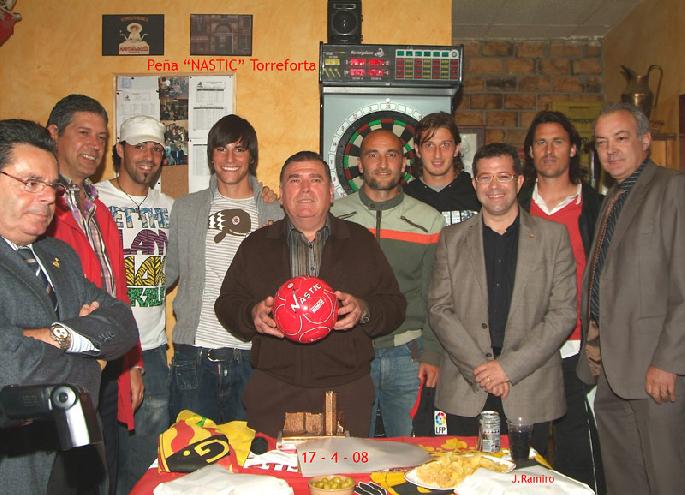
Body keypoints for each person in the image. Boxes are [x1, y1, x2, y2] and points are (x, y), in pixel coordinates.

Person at [214, 151, 406, 437]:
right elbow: (226, 302)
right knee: (274, 467)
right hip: (273, 390)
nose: (305, 188)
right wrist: (250, 314)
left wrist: (364, 310)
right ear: (281, 195)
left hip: (346, 392)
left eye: (315, 180)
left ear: (330, 194)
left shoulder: (360, 242)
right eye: (295, 180)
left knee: (342, 468)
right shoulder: (256, 245)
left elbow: (394, 305)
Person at [0, 119, 137, 495]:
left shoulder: (58, 255)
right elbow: (10, 365)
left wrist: (55, 335)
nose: (48, 197)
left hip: (77, 462)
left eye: (52, 185)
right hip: (17, 468)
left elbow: (122, 323)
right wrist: (92, 363)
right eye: (31, 183)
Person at [428, 142, 576, 456]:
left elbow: (562, 314)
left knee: (526, 478)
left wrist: (506, 368)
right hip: (467, 384)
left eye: (503, 176)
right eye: (485, 177)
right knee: (463, 476)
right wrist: (482, 370)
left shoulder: (553, 237)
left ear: (519, 181)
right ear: (474, 184)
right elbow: (439, 309)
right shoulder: (452, 239)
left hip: (529, 387)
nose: (494, 186)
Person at [577, 103, 685, 495]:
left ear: (645, 140)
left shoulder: (672, 188)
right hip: (611, 370)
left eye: (620, 138)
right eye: (602, 142)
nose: (611, 150)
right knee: (625, 481)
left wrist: (668, 361)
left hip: (655, 372)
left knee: (667, 479)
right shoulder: (614, 197)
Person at [46, 94, 142, 495]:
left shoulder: (99, 211)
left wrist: (132, 363)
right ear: (54, 134)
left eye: (101, 137)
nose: (94, 145)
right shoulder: (41, 208)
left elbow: (119, 292)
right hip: (59, 369)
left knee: (104, 475)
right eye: (83, 133)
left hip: (106, 365)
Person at [165, 114, 283, 423]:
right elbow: (167, 272)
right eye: (221, 149)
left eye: (239, 149)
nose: (230, 159)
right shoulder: (186, 208)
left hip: (254, 356)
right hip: (195, 354)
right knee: (191, 449)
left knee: (252, 449)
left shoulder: (275, 211)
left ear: (251, 157)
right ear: (211, 156)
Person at [331, 130, 444, 437]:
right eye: (373, 155)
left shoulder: (428, 220)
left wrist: (432, 353)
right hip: (349, 353)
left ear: (404, 163)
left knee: (411, 451)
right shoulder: (334, 216)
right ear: (360, 164)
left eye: (391, 155)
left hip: (409, 354)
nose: (382, 164)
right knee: (351, 450)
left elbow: (435, 295)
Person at [518, 111, 605, 491]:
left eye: (557, 141)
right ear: (529, 152)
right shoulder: (514, 205)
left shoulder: (600, 208)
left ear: (573, 149)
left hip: (582, 350)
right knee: (525, 457)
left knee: (581, 454)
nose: (549, 150)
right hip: (527, 351)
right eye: (541, 142)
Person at [95, 115, 173, 495]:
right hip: (100, 354)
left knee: (144, 469)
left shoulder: (171, 207)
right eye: (139, 146)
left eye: (156, 149)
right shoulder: (91, 199)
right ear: (119, 150)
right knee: (97, 467)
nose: (148, 156)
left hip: (152, 351)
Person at [404, 112, 480, 226]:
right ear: (418, 150)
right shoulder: (405, 198)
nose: (437, 154)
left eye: (445, 145)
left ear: (456, 149)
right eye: (429, 145)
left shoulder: (478, 193)